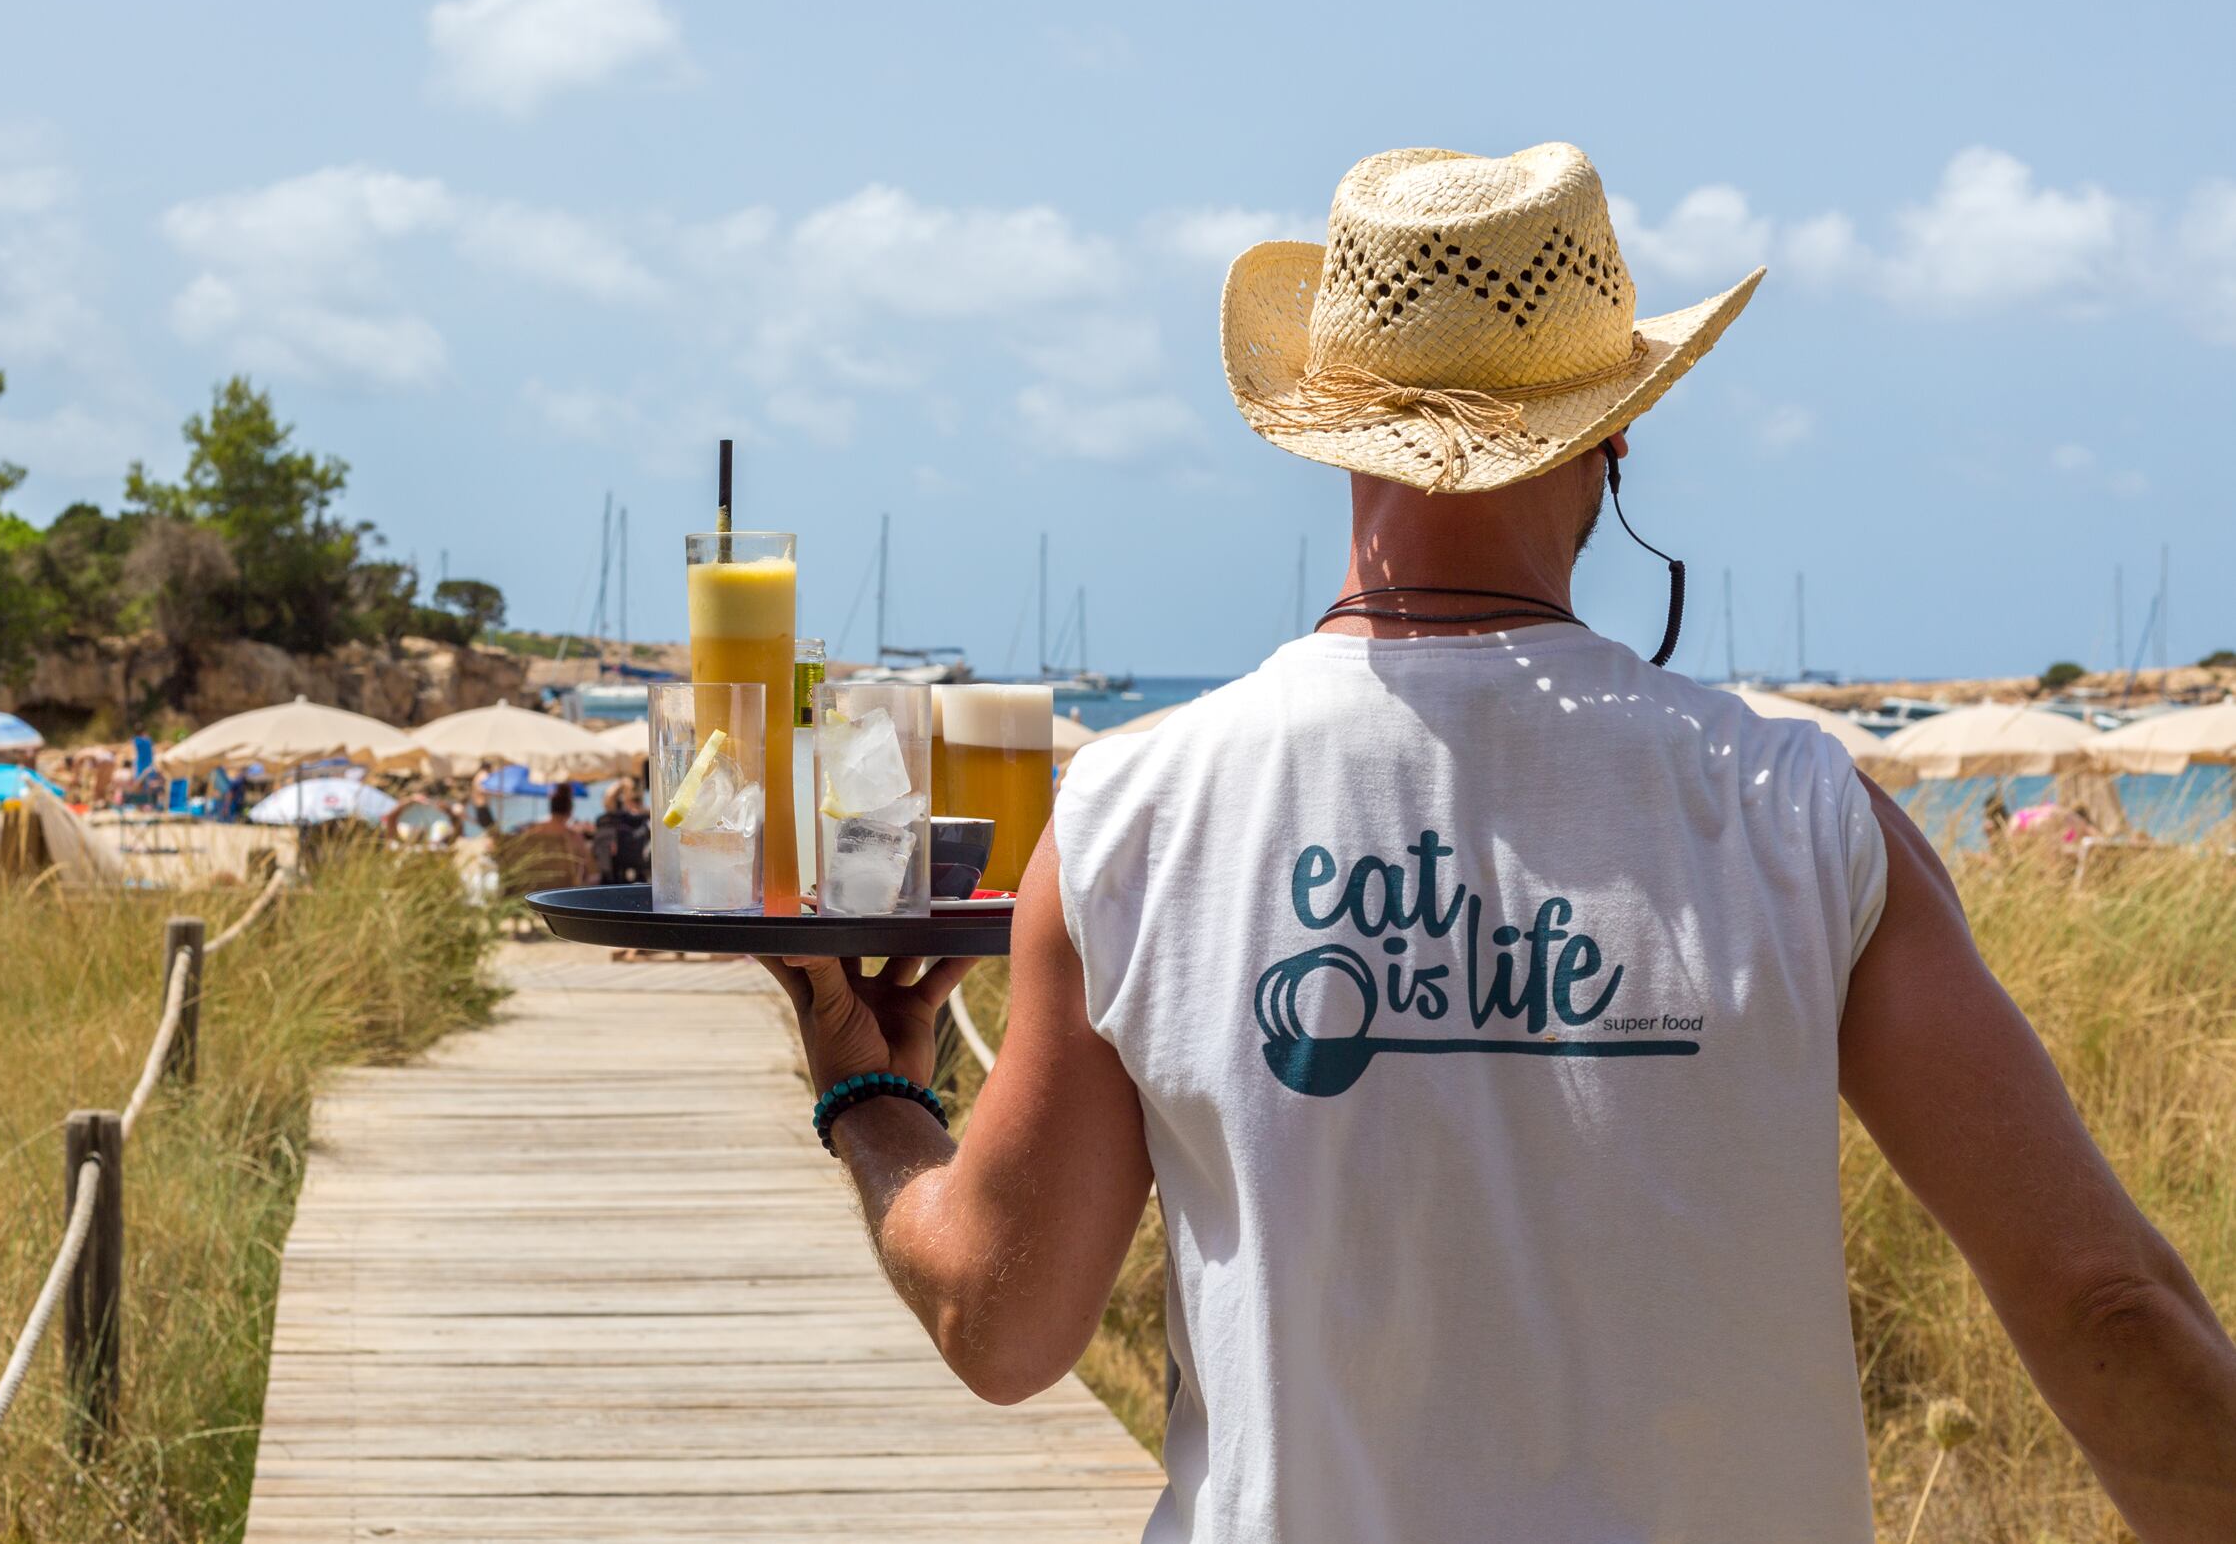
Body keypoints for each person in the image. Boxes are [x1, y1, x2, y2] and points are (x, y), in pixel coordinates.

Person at [753, 144, 2236, 1541]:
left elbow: (1005, 1321)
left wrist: (871, 1093)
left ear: (1329, 427)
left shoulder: (1136, 817)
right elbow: (2107, 1304)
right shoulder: (1800, 813)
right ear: (1616, 431)